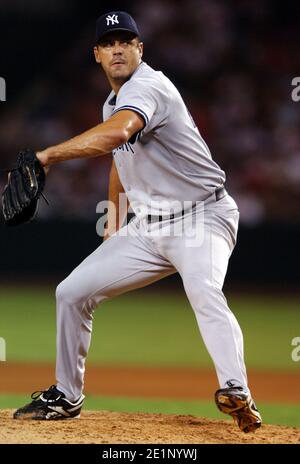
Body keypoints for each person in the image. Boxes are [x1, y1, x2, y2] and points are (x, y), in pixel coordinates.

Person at [13, 11, 262, 433]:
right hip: (148, 229)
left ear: (139, 49)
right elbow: (119, 160)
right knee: (71, 292)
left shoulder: (149, 86)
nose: (118, 49)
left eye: (126, 41)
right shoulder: (112, 102)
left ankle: (236, 388)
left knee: (203, 288)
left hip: (203, 217)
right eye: (109, 43)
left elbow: (117, 135)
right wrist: (113, 222)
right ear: (96, 54)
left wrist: (47, 155)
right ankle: (67, 395)